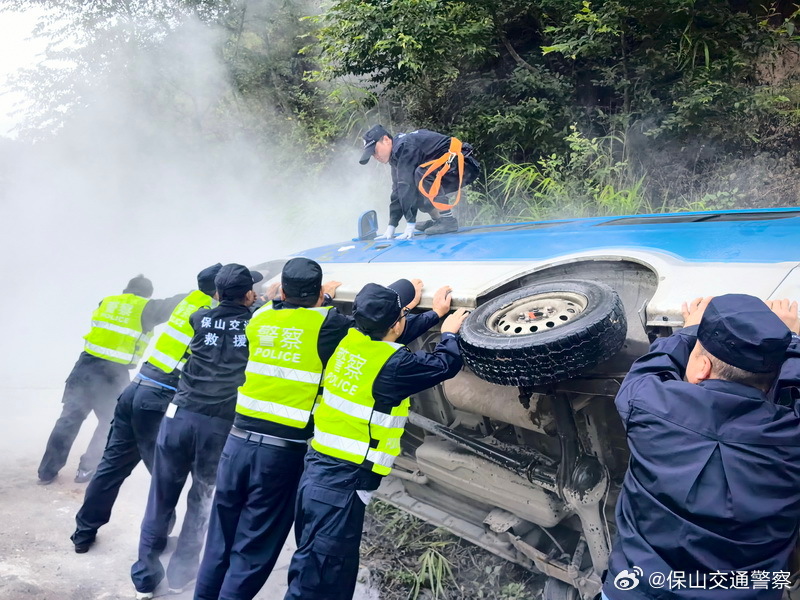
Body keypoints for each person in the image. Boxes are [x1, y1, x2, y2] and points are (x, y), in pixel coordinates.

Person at [602, 295, 800, 600]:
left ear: (702, 367)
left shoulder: (646, 404)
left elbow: (649, 369)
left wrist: (688, 330)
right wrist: (792, 341)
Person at [284, 280, 470, 600]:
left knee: (313, 564)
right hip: (343, 483)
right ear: (396, 324)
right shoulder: (394, 366)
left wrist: (434, 315)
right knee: (322, 579)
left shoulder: (348, 338)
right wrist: (450, 332)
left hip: (318, 472)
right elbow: (444, 364)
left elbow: (391, 338)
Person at [193, 257, 347, 600]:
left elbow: (275, 306)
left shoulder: (258, 318)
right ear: (320, 293)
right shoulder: (328, 326)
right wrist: (328, 301)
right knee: (252, 550)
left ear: (282, 290)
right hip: (279, 455)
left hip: (236, 445)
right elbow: (363, 328)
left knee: (219, 543)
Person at [70, 263, 222, 554]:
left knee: (111, 467)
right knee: (164, 476)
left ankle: (83, 532)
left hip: (135, 389)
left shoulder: (187, 300)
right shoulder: (212, 317)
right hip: (158, 400)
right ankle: (157, 541)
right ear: (219, 291)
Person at [131, 264, 263, 600]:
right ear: (250, 294)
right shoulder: (258, 322)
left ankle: (145, 578)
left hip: (178, 418)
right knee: (200, 500)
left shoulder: (199, 318)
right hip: (217, 428)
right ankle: (179, 577)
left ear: (216, 293)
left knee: (160, 497)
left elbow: (215, 314)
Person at [38, 275, 184, 485]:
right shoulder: (146, 308)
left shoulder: (107, 302)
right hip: (112, 374)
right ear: (147, 294)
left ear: (126, 289)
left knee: (69, 419)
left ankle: (46, 472)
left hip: (83, 367)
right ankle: (87, 469)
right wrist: (205, 289)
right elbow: (175, 303)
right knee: (111, 421)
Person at [359, 125, 481, 238]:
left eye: (374, 151)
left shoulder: (404, 146)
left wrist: (410, 224)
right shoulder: (396, 156)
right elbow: (398, 191)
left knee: (420, 176)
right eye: (372, 155)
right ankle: (438, 220)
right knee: (413, 183)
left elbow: (406, 185)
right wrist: (391, 226)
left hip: (463, 164)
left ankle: (448, 221)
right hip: (449, 168)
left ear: (386, 140)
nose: (376, 157)